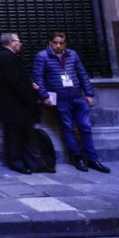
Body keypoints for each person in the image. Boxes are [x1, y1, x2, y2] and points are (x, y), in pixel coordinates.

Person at [33, 31, 111, 173]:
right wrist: (44, 96)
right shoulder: (42, 57)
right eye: (55, 42)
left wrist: (88, 93)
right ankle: (78, 157)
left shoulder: (72, 55)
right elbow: (38, 78)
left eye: (61, 43)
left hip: (77, 97)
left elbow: (82, 74)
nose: (58, 46)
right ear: (50, 42)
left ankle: (92, 159)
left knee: (85, 128)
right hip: (61, 99)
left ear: (65, 43)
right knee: (67, 128)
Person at [0, 33, 51, 175]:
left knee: (23, 134)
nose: (21, 44)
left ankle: (34, 163)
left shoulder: (5, 57)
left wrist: (29, 84)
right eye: (18, 41)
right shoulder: (7, 58)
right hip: (16, 104)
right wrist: (29, 91)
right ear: (11, 42)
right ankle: (18, 162)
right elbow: (15, 82)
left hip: (15, 104)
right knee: (15, 135)